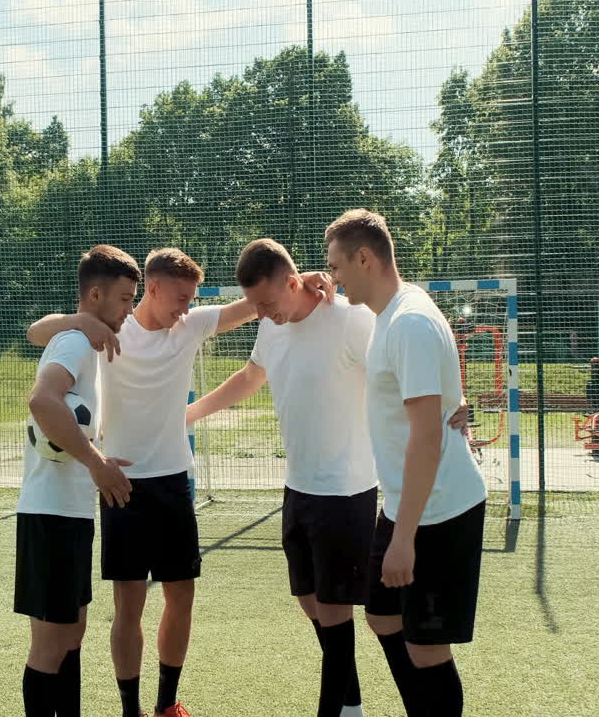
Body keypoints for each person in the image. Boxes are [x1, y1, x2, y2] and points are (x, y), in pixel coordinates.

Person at [27, 247, 332, 717]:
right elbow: (36, 332)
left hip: (173, 484)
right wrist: (81, 321)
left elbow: (255, 302)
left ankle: (166, 704)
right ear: (152, 289)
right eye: (181, 298)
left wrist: (302, 277)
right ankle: (130, 709)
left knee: (181, 598)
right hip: (121, 484)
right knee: (129, 606)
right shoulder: (113, 326)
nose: (187, 307)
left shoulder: (190, 325)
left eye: (192, 299)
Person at [186, 239, 471, 717]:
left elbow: (411, 357)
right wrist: (189, 414)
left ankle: (349, 709)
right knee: (311, 602)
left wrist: (453, 400)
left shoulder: (351, 319)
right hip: (298, 489)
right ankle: (352, 705)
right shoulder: (272, 325)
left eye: (267, 302)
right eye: (255, 305)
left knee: (340, 616)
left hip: (346, 492)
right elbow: (251, 376)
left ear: (292, 282)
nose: (262, 313)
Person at [325, 209, 487, 716]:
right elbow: (433, 402)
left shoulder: (409, 322)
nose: (334, 278)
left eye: (336, 267)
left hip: (439, 510)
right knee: (383, 616)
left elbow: (426, 439)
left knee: (426, 647)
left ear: (364, 259)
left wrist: (404, 540)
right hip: (404, 504)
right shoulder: (391, 310)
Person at [16, 245, 140, 717]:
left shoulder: (82, 339)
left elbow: (36, 331)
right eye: (125, 299)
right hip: (51, 514)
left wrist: (98, 459)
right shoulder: (74, 342)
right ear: (95, 295)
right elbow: (42, 401)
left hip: (66, 512)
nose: (129, 309)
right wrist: (95, 462)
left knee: (71, 634)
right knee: (52, 643)